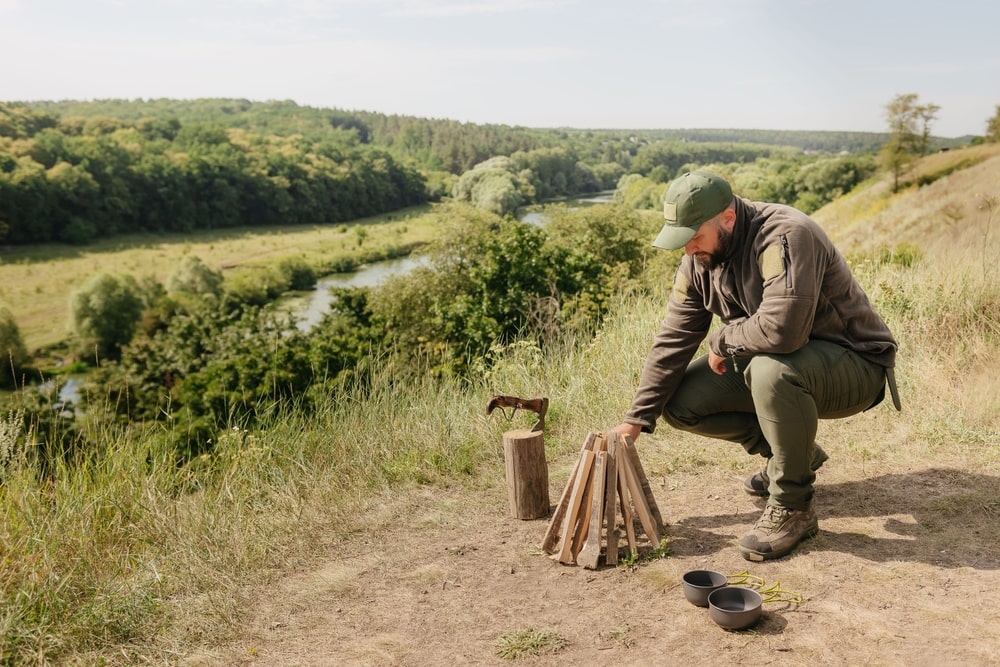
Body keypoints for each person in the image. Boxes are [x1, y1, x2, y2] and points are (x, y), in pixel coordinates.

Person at [611, 170, 899, 562]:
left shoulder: (787, 235)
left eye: (695, 237)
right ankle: (791, 457)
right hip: (784, 362)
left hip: (855, 365)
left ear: (727, 218)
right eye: (682, 241)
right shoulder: (698, 260)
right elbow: (672, 340)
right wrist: (637, 419)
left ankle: (793, 506)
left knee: (771, 369)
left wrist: (723, 340)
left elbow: (783, 332)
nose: (688, 250)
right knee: (678, 401)